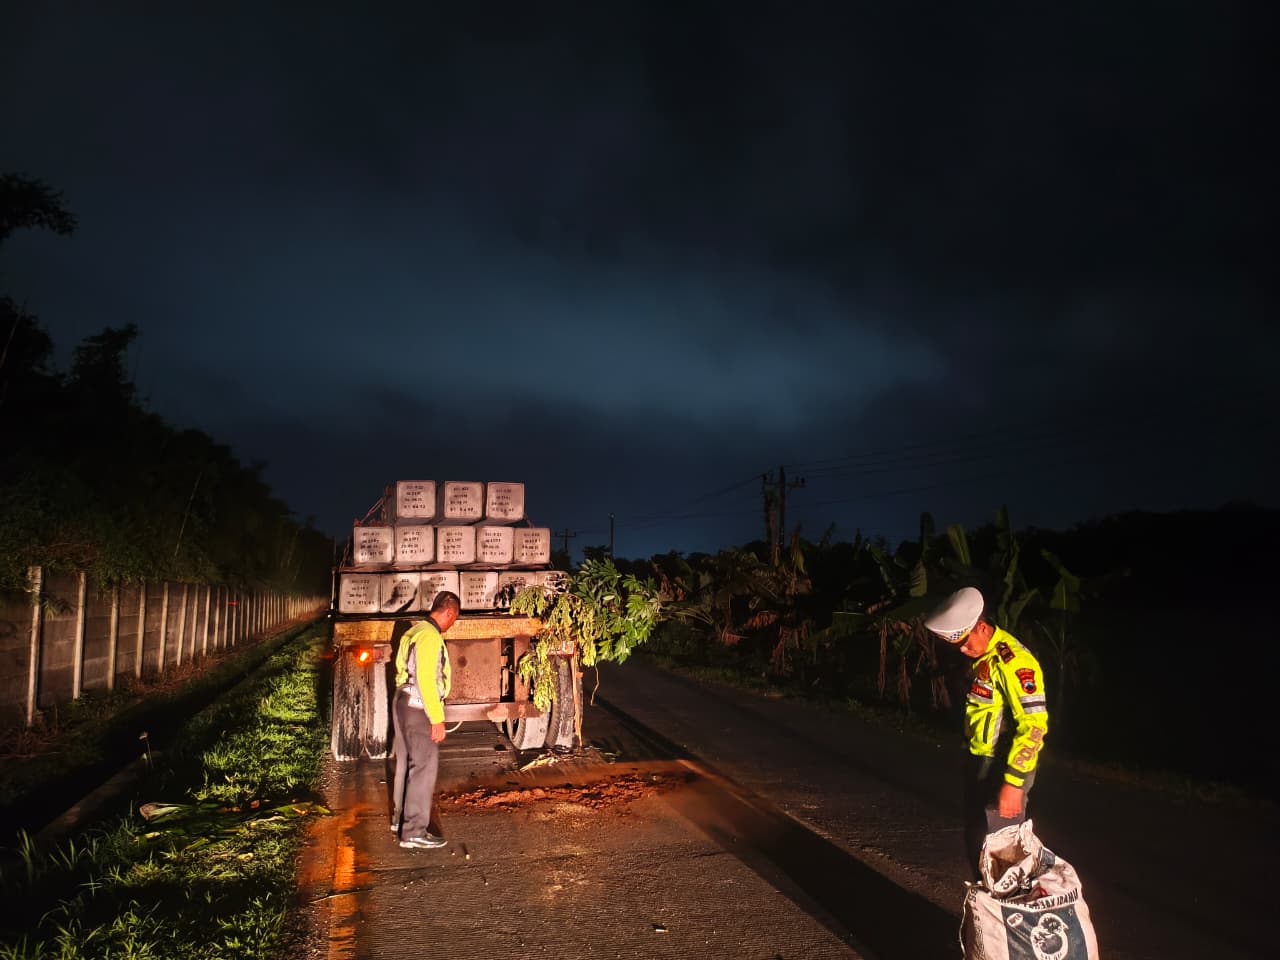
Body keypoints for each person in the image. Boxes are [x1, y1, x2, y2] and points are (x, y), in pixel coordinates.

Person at [924, 586, 1049, 877]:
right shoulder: (983, 658)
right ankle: (986, 905)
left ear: (982, 627)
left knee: (1002, 856)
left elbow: (1034, 725)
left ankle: (1008, 907)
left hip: (1003, 767)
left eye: (965, 642)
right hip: (979, 761)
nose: (963, 650)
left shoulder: (1014, 663)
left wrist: (1014, 783)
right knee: (977, 843)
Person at [390, 590, 459, 850]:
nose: (453, 624)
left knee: (406, 763)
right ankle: (414, 832)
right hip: (418, 706)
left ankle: (400, 820)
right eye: (455, 618)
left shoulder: (414, 631)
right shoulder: (430, 636)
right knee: (424, 766)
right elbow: (426, 680)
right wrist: (437, 718)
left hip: (402, 700)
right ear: (449, 612)